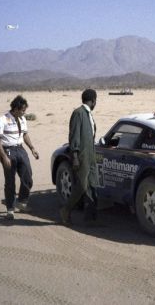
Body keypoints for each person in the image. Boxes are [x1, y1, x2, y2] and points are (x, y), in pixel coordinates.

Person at [0, 95, 40, 220]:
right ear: (15, 108)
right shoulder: (2, 120)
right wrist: (4, 156)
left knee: (28, 177)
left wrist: (32, 148)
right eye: (22, 110)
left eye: (25, 110)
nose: (24, 112)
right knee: (10, 182)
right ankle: (10, 209)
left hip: (20, 149)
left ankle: (21, 202)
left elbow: (25, 135)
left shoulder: (23, 119)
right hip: (8, 151)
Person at [60, 89, 99, 226]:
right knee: (82, 186)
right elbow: (74, 136)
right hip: (82, 155)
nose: (96, 103)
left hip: (91, 154)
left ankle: (90, 219)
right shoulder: (78, 113)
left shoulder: (89, 115)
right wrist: (75, 156)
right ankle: (66, 209)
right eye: (96, 100)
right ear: (93, 100)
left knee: (93, 184)